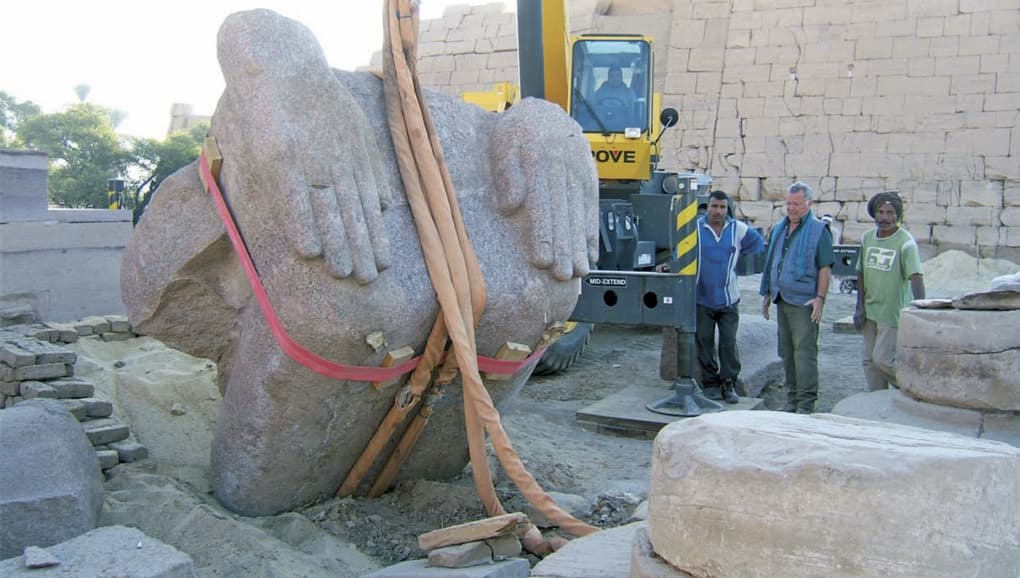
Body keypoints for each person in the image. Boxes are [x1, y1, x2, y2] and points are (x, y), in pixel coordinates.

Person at [759, 181, 834, 413]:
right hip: (782, 297)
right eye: (789, 204)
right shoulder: (780, 229)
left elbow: (825, 267)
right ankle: (792, 398)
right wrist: (768, 293)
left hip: (804, 301)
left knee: (804, 352)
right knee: (787, 352)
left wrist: (820, 299)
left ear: (808, 204)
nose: (791, 208)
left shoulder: (818, 231)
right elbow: (773, 261)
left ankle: (805, 402)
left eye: (797, 204)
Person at [695, 191, 764, 404]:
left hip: (728, 298)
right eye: (714, 206)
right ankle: (710, 383)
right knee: (704, 340)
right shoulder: (696, 228)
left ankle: (728, 383)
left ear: (727, 209)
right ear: (708, 207)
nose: (718, 211)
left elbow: (758, 244)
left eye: (722, 207)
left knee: (728, 342)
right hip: (701, 297)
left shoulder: (738, 229)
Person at [852, 192, 925, 390]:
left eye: (889, 212)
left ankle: (914, 387)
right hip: (870, 310)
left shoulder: (905, 242)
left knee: (883, 359)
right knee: (868, 361)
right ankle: (877, 399)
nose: (884, 217)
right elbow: (861, 273)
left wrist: (921, 309)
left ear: (897, 216)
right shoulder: (867, 238)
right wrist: (859, 307)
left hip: (892, 313)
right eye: (880, 212)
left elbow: (916, 276)